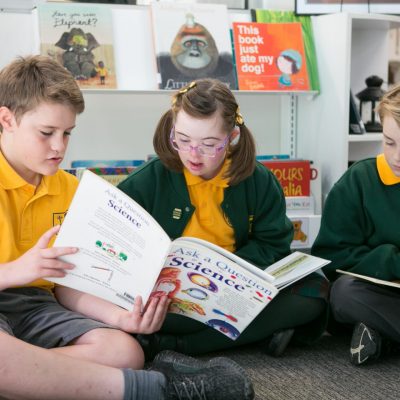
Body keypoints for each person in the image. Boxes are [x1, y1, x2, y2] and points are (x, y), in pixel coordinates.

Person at [0, 55, 254, 400]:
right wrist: (15, 270)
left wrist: (120, 318)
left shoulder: (73, 189)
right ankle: (156, 390)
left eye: (67, 133)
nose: (59, 147)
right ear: (6, 119)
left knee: (126, 352)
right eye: (46, 133)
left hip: (37, 306)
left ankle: (27, 379)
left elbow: (68, 287)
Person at [118, 78, 329, 358]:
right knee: (145, 311)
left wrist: (236, 273)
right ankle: (252, 333)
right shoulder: (149, 179)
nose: (193, 154)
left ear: (232, 138)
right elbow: (120, 240)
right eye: (182, 140)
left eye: (209, 143)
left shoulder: (260, 181)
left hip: (237, 289)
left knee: (314, 292)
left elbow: (274, 243)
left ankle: (170, 345)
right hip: (171, 295)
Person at [312, 83, 400, 366]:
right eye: (389, 142)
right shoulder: (358, 181)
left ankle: (381, 336)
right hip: (374, 294)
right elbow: (330, 259)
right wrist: (390, 261)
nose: (397, 156)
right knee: (344, 293)